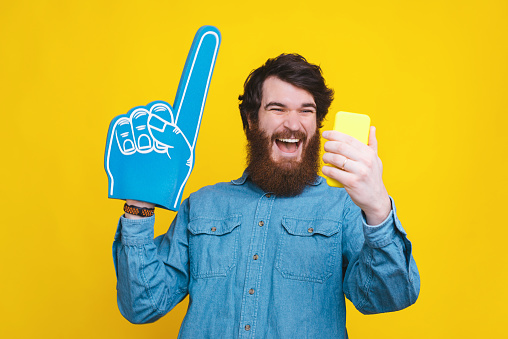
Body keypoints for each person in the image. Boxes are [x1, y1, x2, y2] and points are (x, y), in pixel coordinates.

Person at [113, 53, 420, 338]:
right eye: (277, 108)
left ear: (317, 124)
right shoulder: (202, 206)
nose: (293, 123)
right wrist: (139, 202)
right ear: (251, 120)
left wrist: (378, 208)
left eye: (306, 110)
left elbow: (388, 296)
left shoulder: (344, 209)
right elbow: (144, 305)